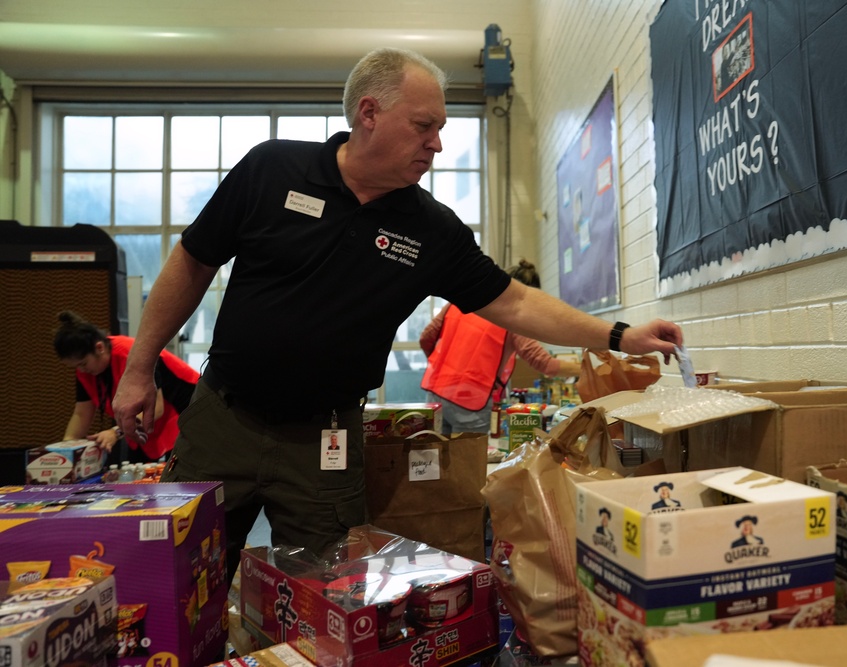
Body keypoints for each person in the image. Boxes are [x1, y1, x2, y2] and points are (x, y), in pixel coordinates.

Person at [112, 46, 683, 583]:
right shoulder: (272, 170)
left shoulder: (429, 228)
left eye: (440, 129)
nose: (436, 144)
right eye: (424, 125)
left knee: (327, 599)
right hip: (223, 422)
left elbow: (515, 301)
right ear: (369, 113)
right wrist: (139, 369)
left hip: (325, 442)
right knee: (178, 582)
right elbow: (192, 262)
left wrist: (619, 334)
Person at [419, 259, 582, 434]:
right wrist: (585, 369)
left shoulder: (458, 301)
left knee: (437, 455)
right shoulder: (513, 317)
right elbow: (545, 364)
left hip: (436, 393)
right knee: (465, 458)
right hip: (471, 400)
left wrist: (443, 366)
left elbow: (426, 338)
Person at [53, 310, 200, 464]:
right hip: (142, 428)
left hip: (188, 411)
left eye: (83, 363)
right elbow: (81, 415)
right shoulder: (85, 371)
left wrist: (115, 432)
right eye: (76, 367)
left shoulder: (132, 354)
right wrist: (65, 449)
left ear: (99, 347)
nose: (82, 370)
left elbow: (155, 408)